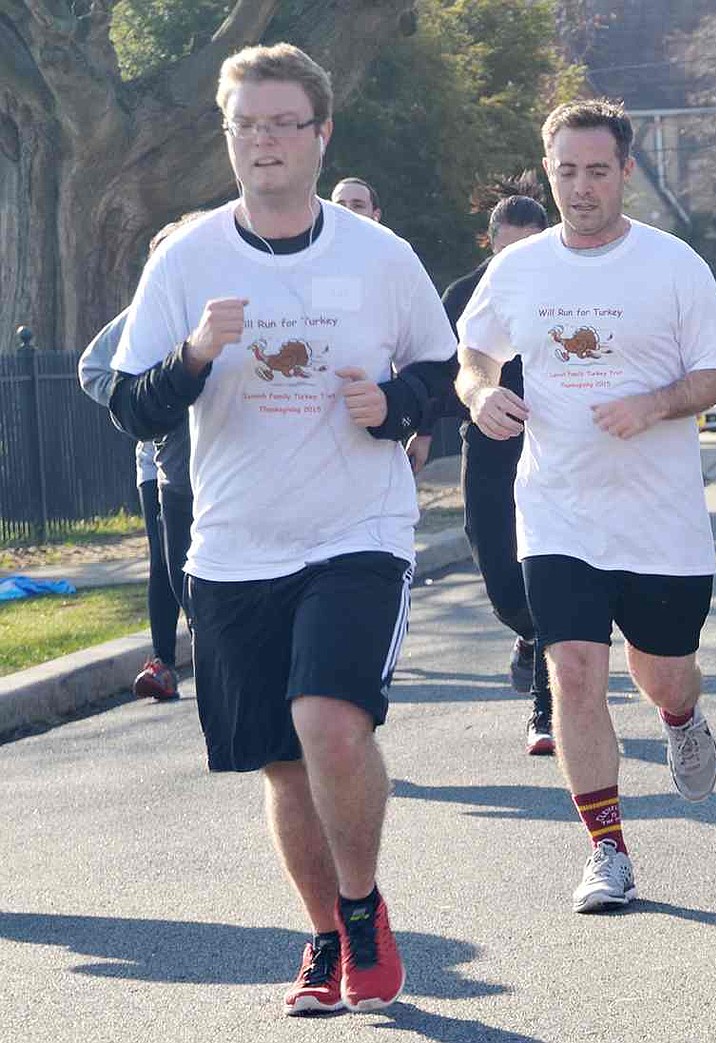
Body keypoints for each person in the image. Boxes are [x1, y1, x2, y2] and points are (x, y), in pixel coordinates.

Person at [108, 43, 456, 1014]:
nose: (262, 141)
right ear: (230, 137)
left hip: (358, 530)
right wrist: (191, 357)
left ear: (321, 133)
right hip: (232, 544)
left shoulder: (380, 256)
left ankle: (363, 910)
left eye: (281, 123)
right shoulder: (187, 259)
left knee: (328, 723)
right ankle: (322, 933)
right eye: (245, 125)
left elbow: (446, 377)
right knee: (281, 761)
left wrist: (395, 405)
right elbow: (132, 407)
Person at [455, 99, 716, 913]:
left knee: (663, 672)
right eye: (566, 172)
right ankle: (607, 849)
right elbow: (474, 352)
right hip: (558, 510)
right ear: (549, 173)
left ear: (624, 171)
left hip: (659, 518)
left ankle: (683, 717)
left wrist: (654, 404)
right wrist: (480, 393)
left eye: (596, 171)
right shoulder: (518, 268)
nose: (581, 188)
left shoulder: (672, 264)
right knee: (574, 671)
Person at [408, 175, 554, 755]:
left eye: (529, 246)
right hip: (489, 443)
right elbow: (442, 371)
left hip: (551, 446)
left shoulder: (563, 288)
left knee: (549, 569)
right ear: (488, 243)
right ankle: (526, 633)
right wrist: (420, 432)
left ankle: (546, 711)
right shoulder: (464, 295)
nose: (516, 259)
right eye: (507, 247)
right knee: (493, 560)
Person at [80, 316, 180, 701]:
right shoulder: (145, 310)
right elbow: (92, 369)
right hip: (158, 463)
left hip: (224, 461)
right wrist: (139, 407)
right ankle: (163, 663)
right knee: (166, 558)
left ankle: (224, 653)